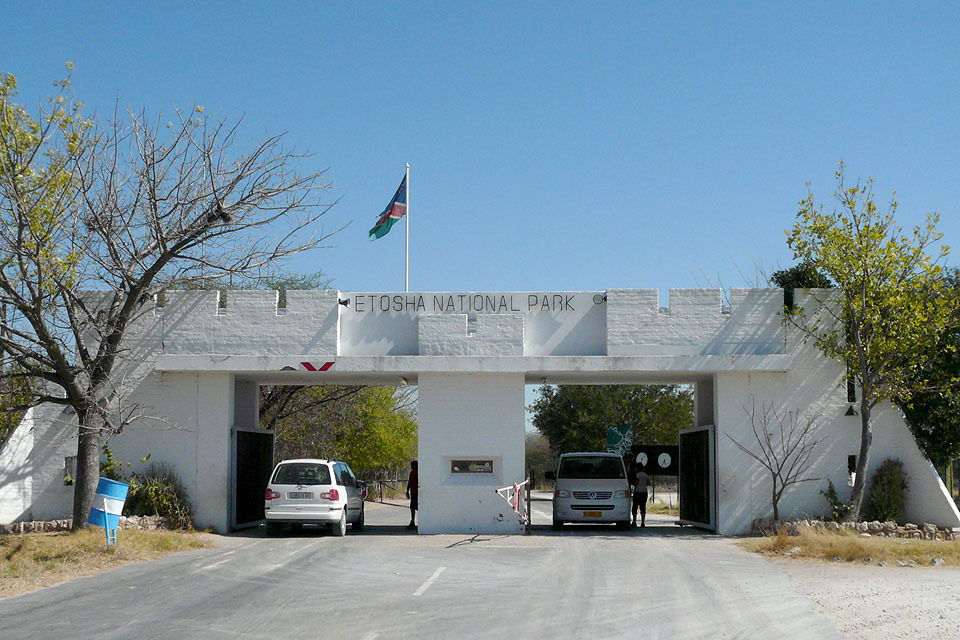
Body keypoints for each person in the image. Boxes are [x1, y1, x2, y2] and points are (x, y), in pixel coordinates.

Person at [405, 460, 418, 529]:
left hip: (416, 493)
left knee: (413, 508)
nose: (411, 467)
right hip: (413, 492)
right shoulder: (412, 473)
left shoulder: (415, 473)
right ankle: (412, 521)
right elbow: (410, 482)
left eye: (412, 466)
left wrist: (407, 490)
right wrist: (407, 490)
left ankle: (413, 522)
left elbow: (410, 482)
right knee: (412, 507)